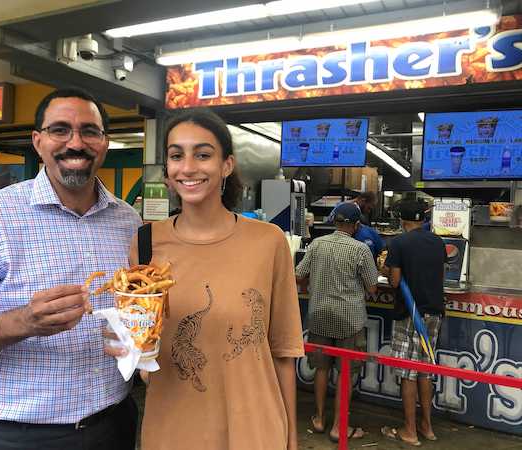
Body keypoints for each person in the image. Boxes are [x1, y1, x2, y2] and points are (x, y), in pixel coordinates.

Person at [0, 88, 142, 450]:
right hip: (21, 436)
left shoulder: (128, 220)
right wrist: (23, 322)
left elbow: (136, 310)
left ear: (104, 143)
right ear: (38, 142)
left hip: (114, 423)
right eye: (60, 130)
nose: (76, 143)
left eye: (90, 131)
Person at [107, 109, 304, 450]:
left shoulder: (268, 241)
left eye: (203, 154)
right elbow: (142, 348)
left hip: (254, 429)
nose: (188, 167)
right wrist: (133, 353)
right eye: (176, 155)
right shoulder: (145, 243)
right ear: (167, 169)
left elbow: (283, 350)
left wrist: (290, 438)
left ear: (226, 165)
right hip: (172, 428)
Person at [295, 202, 378, 442]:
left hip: (319, 315)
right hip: (349, 320)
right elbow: (372, 287)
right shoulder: (361, 249)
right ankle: (338, 427)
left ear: (334, 221)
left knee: (321, 368)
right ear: (357, 225)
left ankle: (319, 419)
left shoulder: (317, 244)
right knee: (345, 373)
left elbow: (299, 274)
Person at [380, 200, 447, 447]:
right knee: (425, 370)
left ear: (402, 220)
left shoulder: (398, 243)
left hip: (411, 313)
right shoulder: (437, 241)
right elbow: (440, 274)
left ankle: (409, 430)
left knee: (408, 373)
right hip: (435, 312)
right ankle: (427, 426)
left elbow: (396, 282)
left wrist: (387, 271)